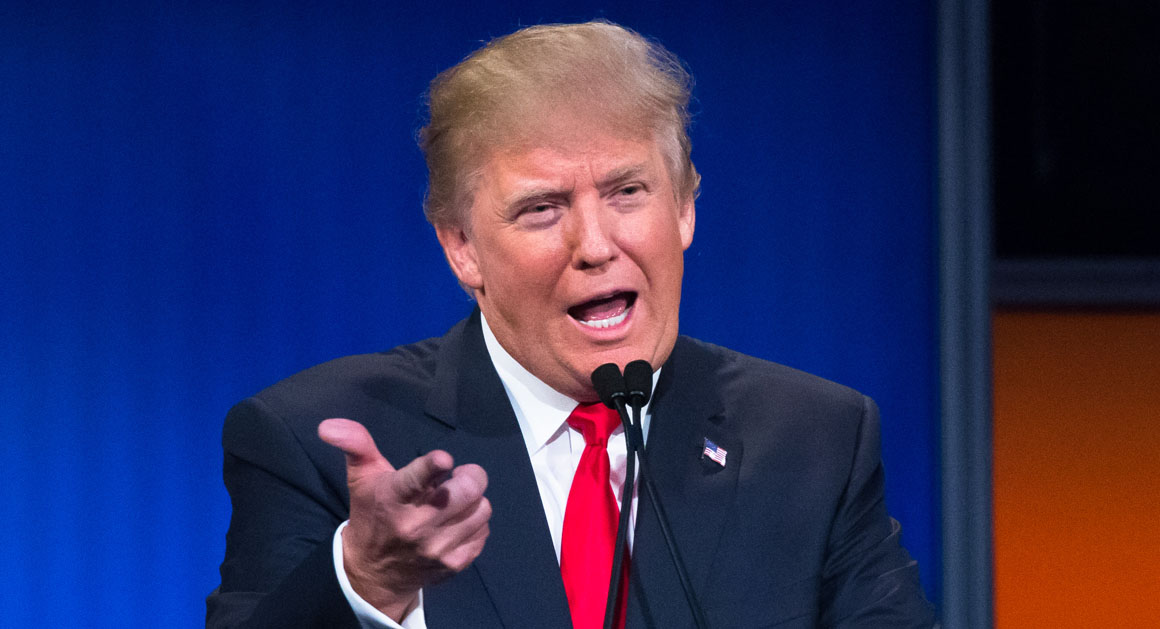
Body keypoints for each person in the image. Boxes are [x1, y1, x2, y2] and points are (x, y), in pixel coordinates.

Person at [206, 20, 936, 629]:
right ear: (462, 247)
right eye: (542, 208)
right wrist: (367, 581)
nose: (595, 245)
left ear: (685, 208)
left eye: (627, 191)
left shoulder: (813, 441)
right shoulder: (318, 442)